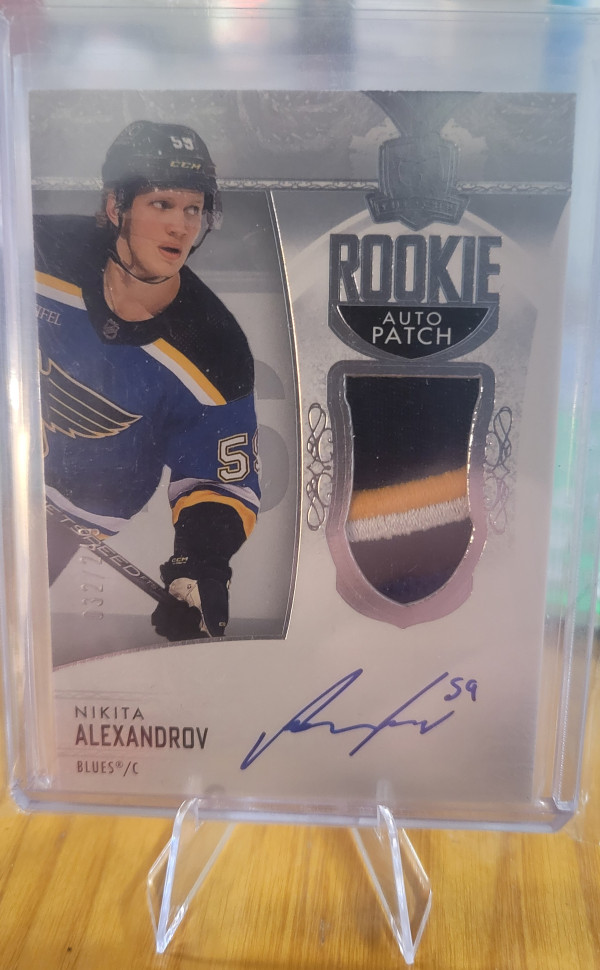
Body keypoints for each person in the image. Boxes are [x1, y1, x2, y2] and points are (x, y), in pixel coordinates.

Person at [35, 120, 260, 641]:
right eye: (162, 204)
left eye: (193, 209)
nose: (180, 226)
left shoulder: (215, 349)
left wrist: (198, 566)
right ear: (116, 206)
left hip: (65, 514)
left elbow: (218, 479)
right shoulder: (35, 249)